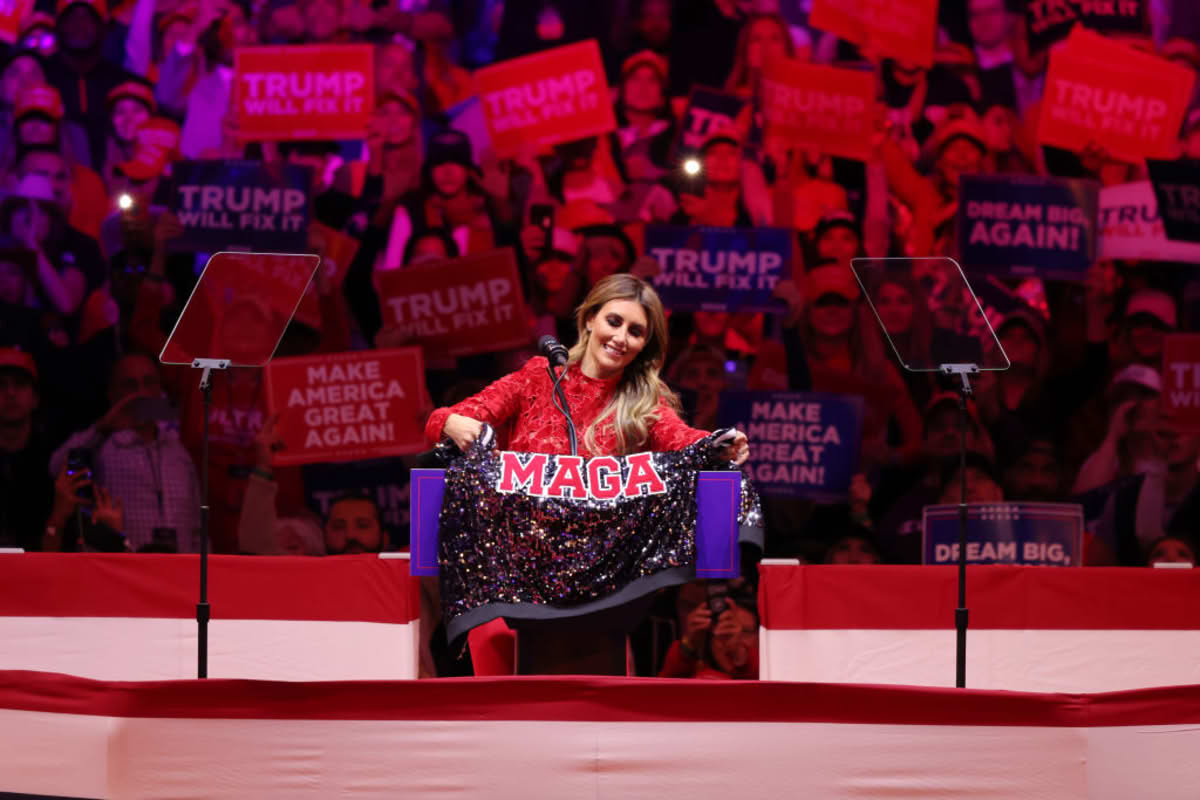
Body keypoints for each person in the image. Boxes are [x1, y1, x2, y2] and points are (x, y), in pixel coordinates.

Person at [426, 273, 750, 462]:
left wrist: (717, 445)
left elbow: (681, 438)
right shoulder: (540, 375)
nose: (621, 338)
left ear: (644, 346)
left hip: (604, 563)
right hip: (521, 554)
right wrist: (450, 422)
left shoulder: (642, 399)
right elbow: (446, 419)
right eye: (614, 322)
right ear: (591, 319)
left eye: (635, 332)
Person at [49, 351, 202, 553]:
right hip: (121, 572)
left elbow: (198, 528)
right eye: (130, 385)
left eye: (149, 382)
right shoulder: (102, 446)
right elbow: (56, 467)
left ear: (160, 390)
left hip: (177, 574)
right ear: (112, 393)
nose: (141, 392)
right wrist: (103, 427)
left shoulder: (177, 451)